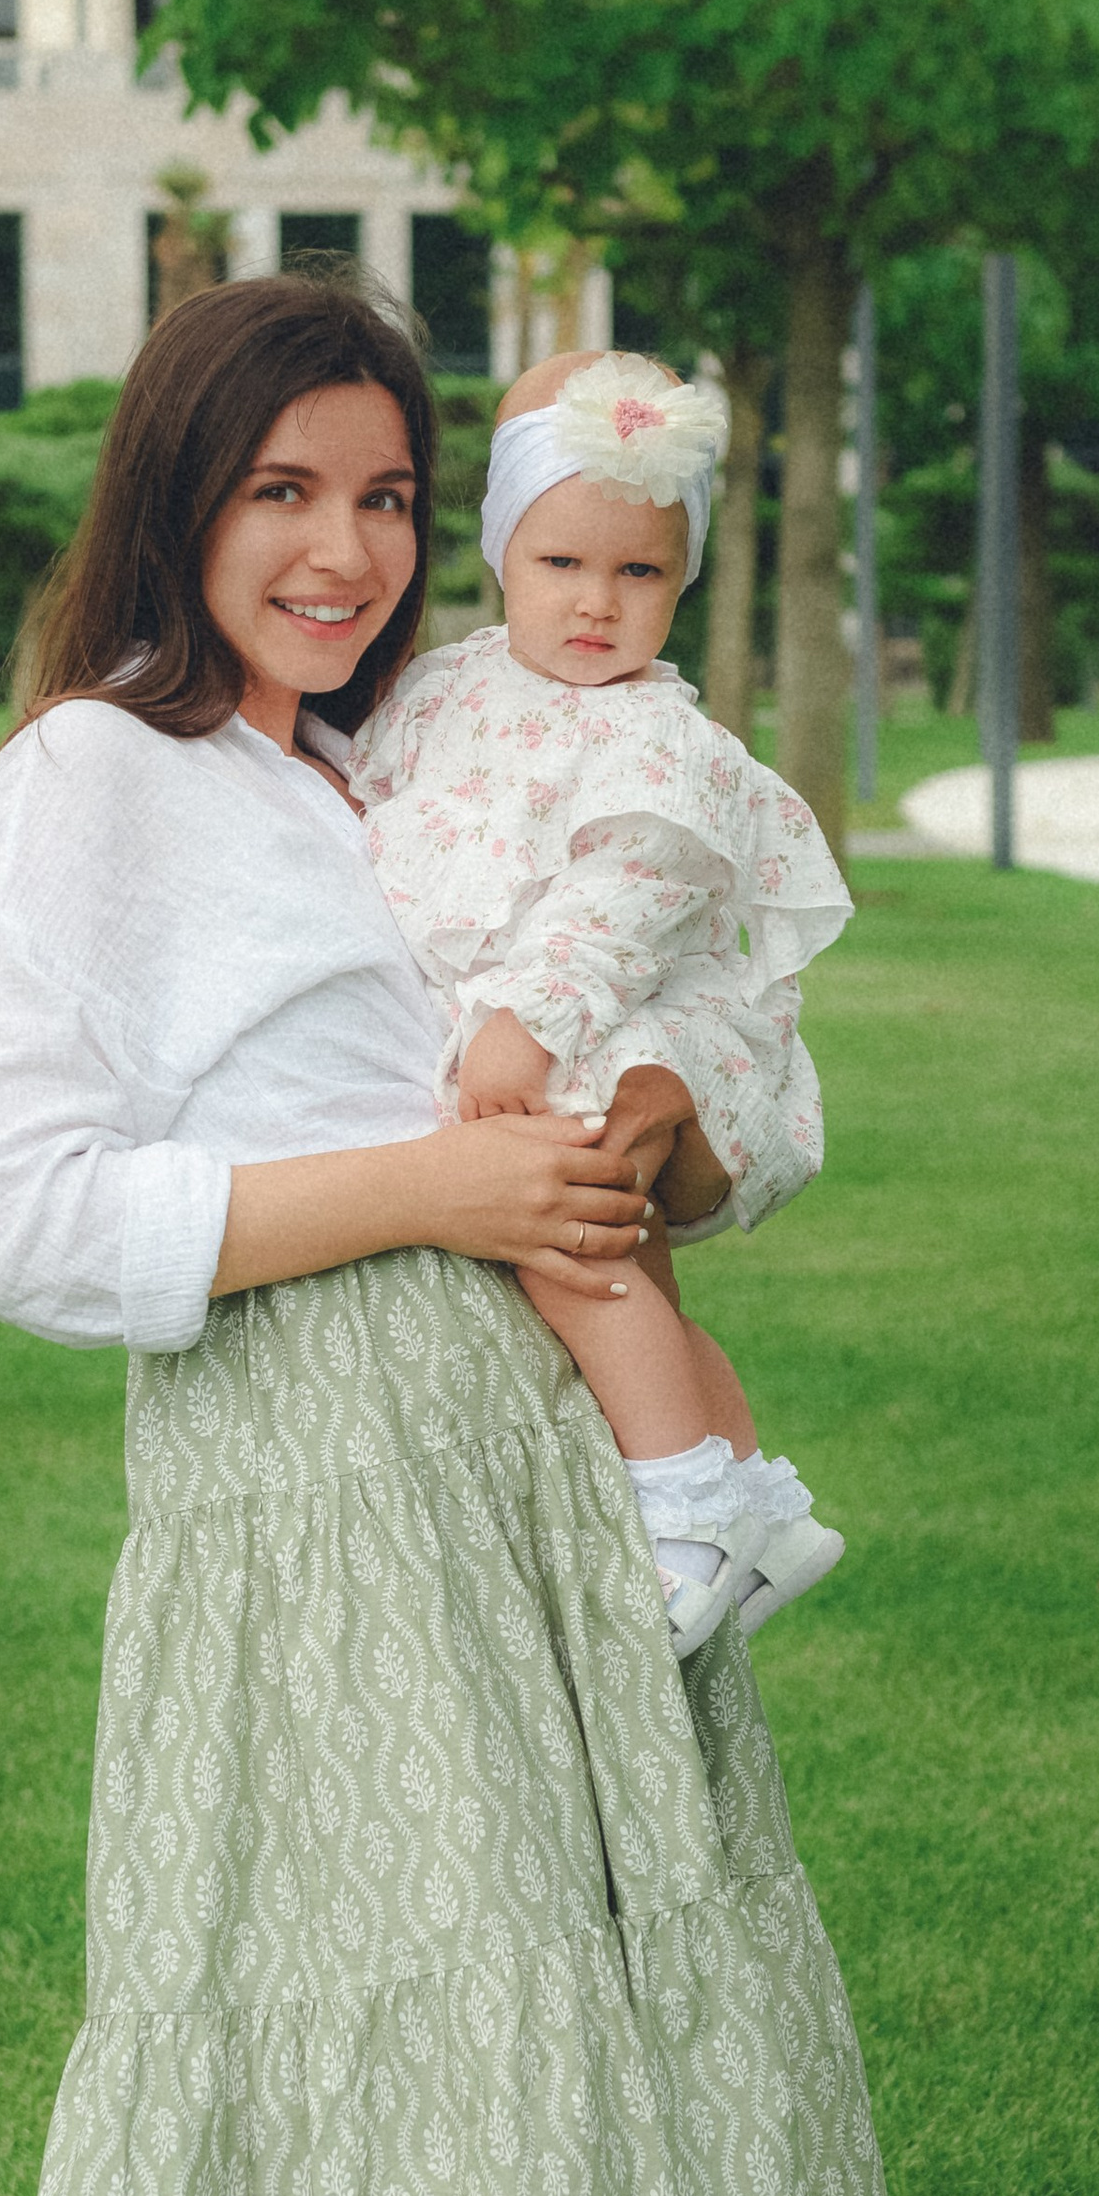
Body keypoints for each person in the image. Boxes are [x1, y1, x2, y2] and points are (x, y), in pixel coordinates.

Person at [0, 273, 941, 2196]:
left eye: (386, 498)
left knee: (561, 2080)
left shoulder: (398, 762)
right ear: (176, 503)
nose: (349, 551)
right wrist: (434, 1172)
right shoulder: (87, 789)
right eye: (289, 496)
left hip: (519, 1458)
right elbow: (22, 1213)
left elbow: (729, 1080)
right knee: (275, 2117)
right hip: (307, 1490)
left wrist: (642, 1138)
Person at [353, 348, 853, 1655]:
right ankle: (752, 1492)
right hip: (534, 1021)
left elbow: (622, 898)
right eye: (561, 565)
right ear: (501, 554)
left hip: (605, 1023)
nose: (596, 605)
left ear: (681, 584)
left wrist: (528, 1016)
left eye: (639, 575)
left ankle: (681, 1501)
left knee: (573, 1248)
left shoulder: (652, 738)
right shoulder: (451, 686)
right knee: (641, 1284)